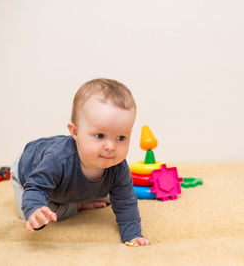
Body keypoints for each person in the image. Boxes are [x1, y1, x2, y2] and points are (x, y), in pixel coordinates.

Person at [10, 78, 150, 246]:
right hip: (28, 175)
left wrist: (133, 235)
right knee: (37, 212)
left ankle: (79, 200)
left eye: (121, 137)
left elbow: (126, 203)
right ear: (75, 132)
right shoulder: (58, 159)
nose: (111, 147)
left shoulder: (118, 167)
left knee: (117, 195)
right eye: (100, 136)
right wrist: (35, 209)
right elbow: (36, 188)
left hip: (68, 186)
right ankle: (77, 206)